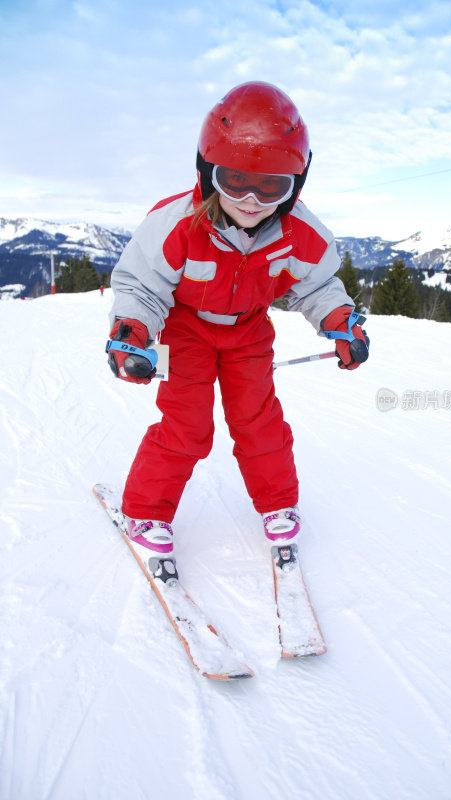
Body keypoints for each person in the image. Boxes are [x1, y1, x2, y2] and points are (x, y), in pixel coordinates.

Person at [106, 81, 369, 561]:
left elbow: (318, 285)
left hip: (249, 332)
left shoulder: (299, 233)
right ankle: (145, 510)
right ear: (209, 173)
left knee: (258, 421)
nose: (251, 199)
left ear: (295, 185)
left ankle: (278, 505)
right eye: (235, 181)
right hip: (186, 330)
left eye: (271, 185)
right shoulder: (177, 224)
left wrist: (341, 322)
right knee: (187, 426)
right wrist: (133, 333)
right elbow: (142, 286)